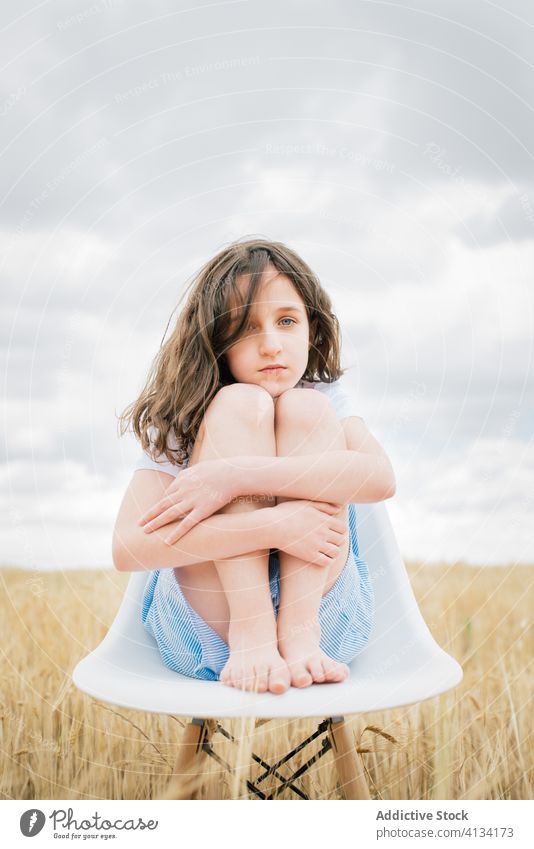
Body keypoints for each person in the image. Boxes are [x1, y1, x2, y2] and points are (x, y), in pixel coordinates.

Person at [112, 237, 396, 696]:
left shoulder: (325, 401)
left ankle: (297, 634)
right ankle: (252, 632)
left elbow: (380, 479)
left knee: (305, 409)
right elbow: (129, 549)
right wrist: (274, 525)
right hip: (208, 629)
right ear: (215, 341)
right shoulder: (183, 416)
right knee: (240, 404)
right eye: (245, 327)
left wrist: (236, 477)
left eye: (287, 321)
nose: (270, 345)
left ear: (312, 330)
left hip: (324, 625)